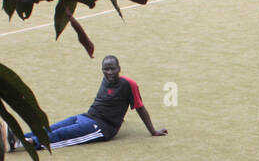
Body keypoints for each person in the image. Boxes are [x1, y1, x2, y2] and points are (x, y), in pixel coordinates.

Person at [13, 55, 165, 150]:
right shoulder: (105, 80)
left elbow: (140, 108)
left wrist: (153, 131)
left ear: (119, 68)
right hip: (86, 116)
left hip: (101, 128)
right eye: (106, 69)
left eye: (112, 69)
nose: (109, 72)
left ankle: (30, 143)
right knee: (51, 127)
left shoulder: (128, 84)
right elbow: (111, 102)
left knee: (62, 135)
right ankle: (18, 138)